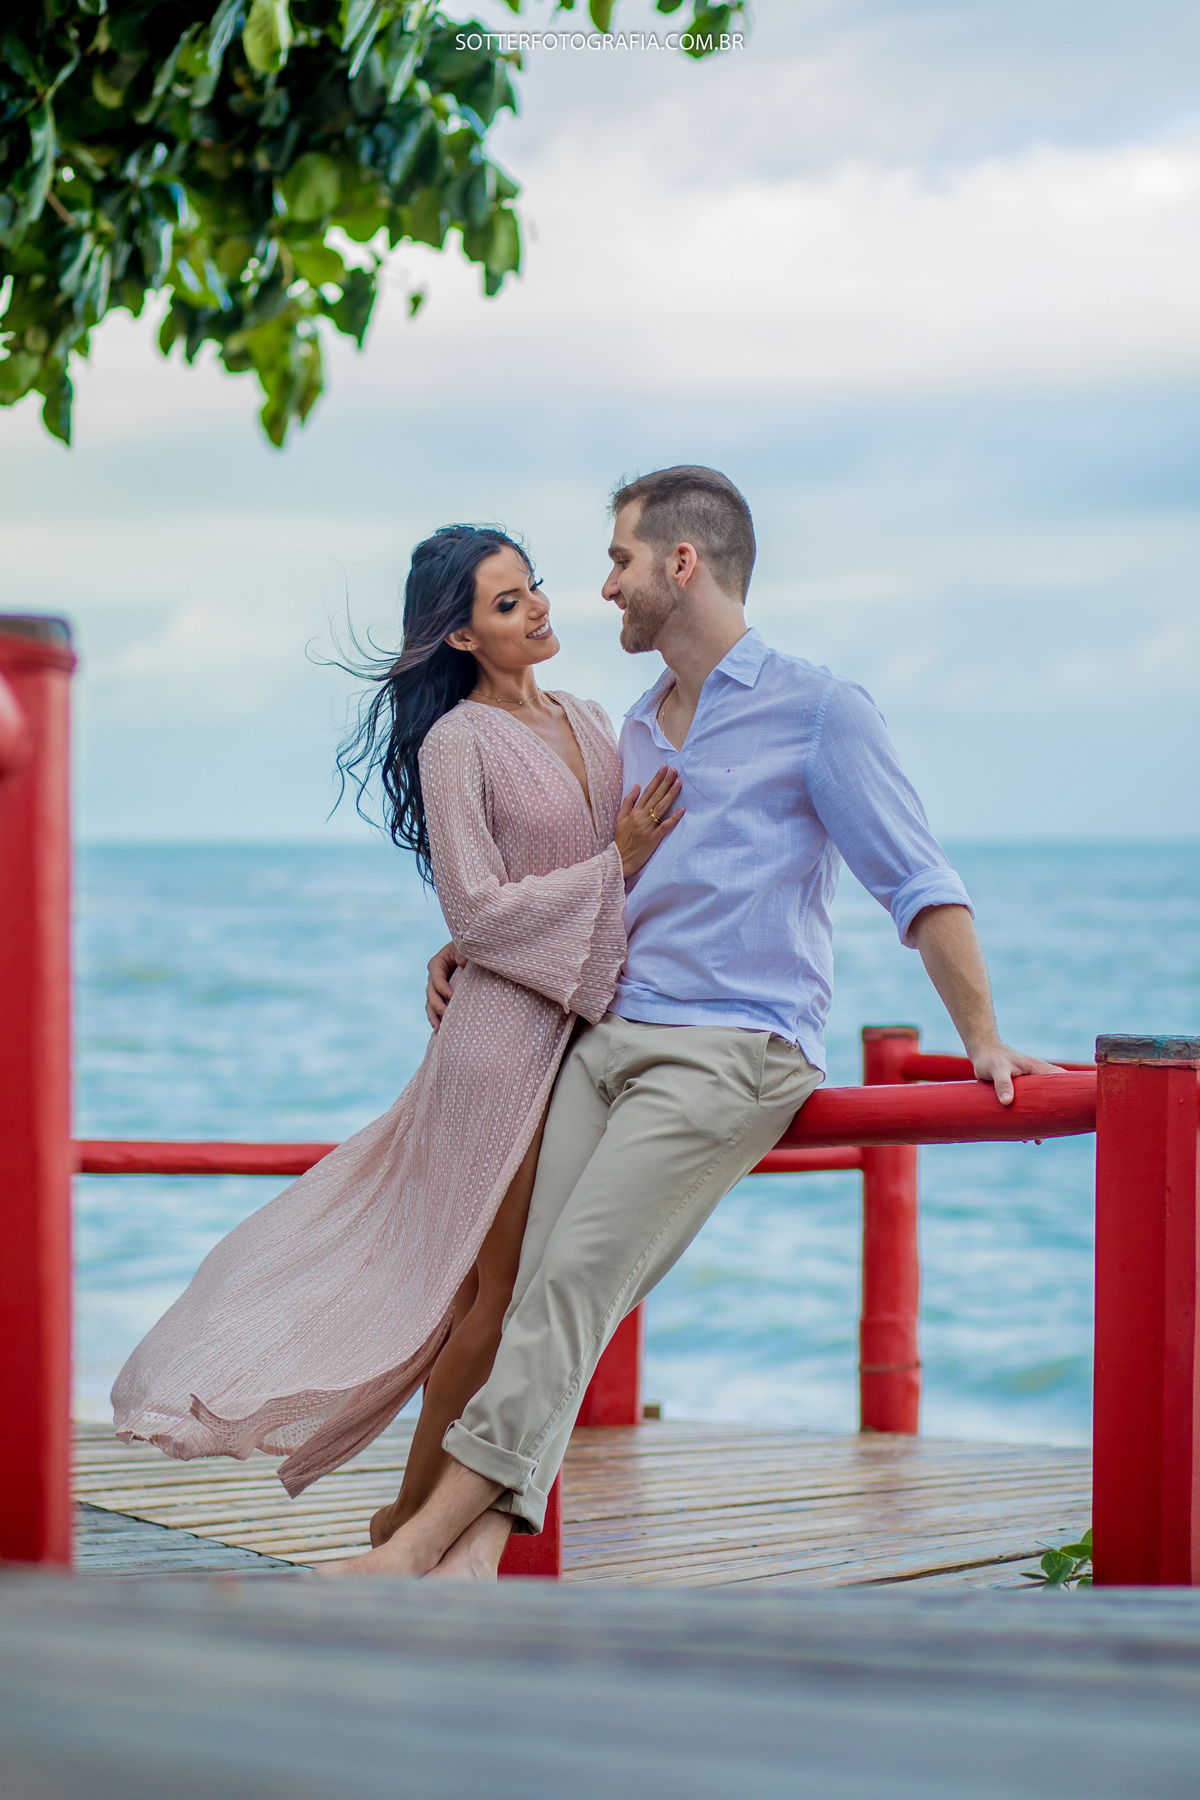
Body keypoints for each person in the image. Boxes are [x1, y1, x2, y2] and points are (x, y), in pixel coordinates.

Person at [333, 465, 1058, 1580]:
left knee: (573, 1282)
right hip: (608, 1038)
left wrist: (983, 1035)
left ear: (680, 564)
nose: (600, 588)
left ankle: (417, 1544)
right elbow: (582, 880)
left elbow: (918, 882)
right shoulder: (632, 726)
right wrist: (471, 946)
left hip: (732, 1047)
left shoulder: (820, 708)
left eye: (618, 560)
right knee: (534, 1295)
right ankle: (471, 1564)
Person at [111, 524, 681, 1528]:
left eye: (533, 587)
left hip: (581, 1035)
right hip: (499, 1047)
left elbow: (613, 885)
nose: (537, 608)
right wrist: (608, 868)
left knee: (498, 1297)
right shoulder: (458, 742)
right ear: (460, 637)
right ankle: (412, 1528)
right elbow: (479, 910)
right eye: (506, 603)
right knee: (497, 1296)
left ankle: (405, 1527)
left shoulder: (596, 721)